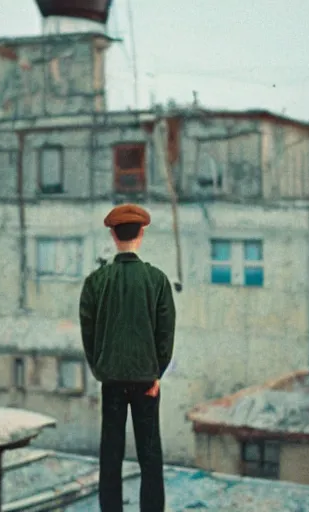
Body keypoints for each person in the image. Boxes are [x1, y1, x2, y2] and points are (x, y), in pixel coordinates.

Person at [79, 203, 177, 512]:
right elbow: (165, 334)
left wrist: (101, 367)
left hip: (111, 380)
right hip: (146, 380)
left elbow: (89, 333)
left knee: (111, 453)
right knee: (150, 455)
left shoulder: (96, 282)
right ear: (142, 234)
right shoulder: (157, 280)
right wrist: (155, 373)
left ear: (112, 234)